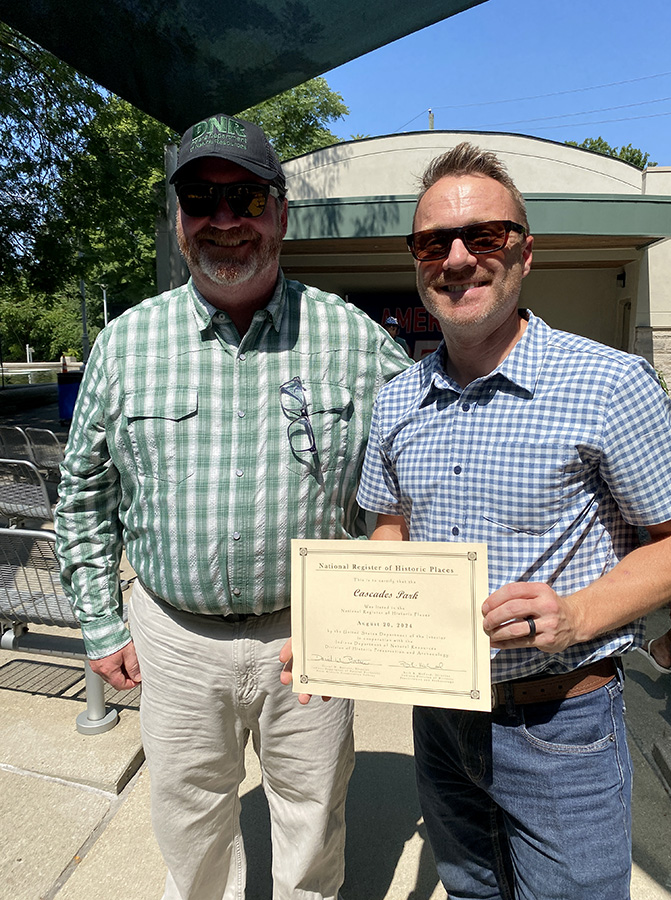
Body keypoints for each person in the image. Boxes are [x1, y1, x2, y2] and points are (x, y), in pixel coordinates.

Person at [55, 112, 410, 900]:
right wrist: (100, 622)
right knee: (189, 821)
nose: (224, 221)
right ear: (178, 220)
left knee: (312, 819)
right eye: (200, 198)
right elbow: (83, 496)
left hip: (311, 636)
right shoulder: (125, 344)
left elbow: (432, 460)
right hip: (173, 638)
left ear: (280, 212)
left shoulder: (352, 339)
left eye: (245, 198)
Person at [355, 143, 671, 900]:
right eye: (434, 242)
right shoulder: (395, 402)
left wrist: (574, 614)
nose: (458, 258)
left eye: (485, 237)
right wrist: (353, 637)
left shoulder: (608, 384)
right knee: (470, 893)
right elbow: (388, 531)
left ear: (524, 253)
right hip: (438, 719)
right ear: (416, 260)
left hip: (561, 723)